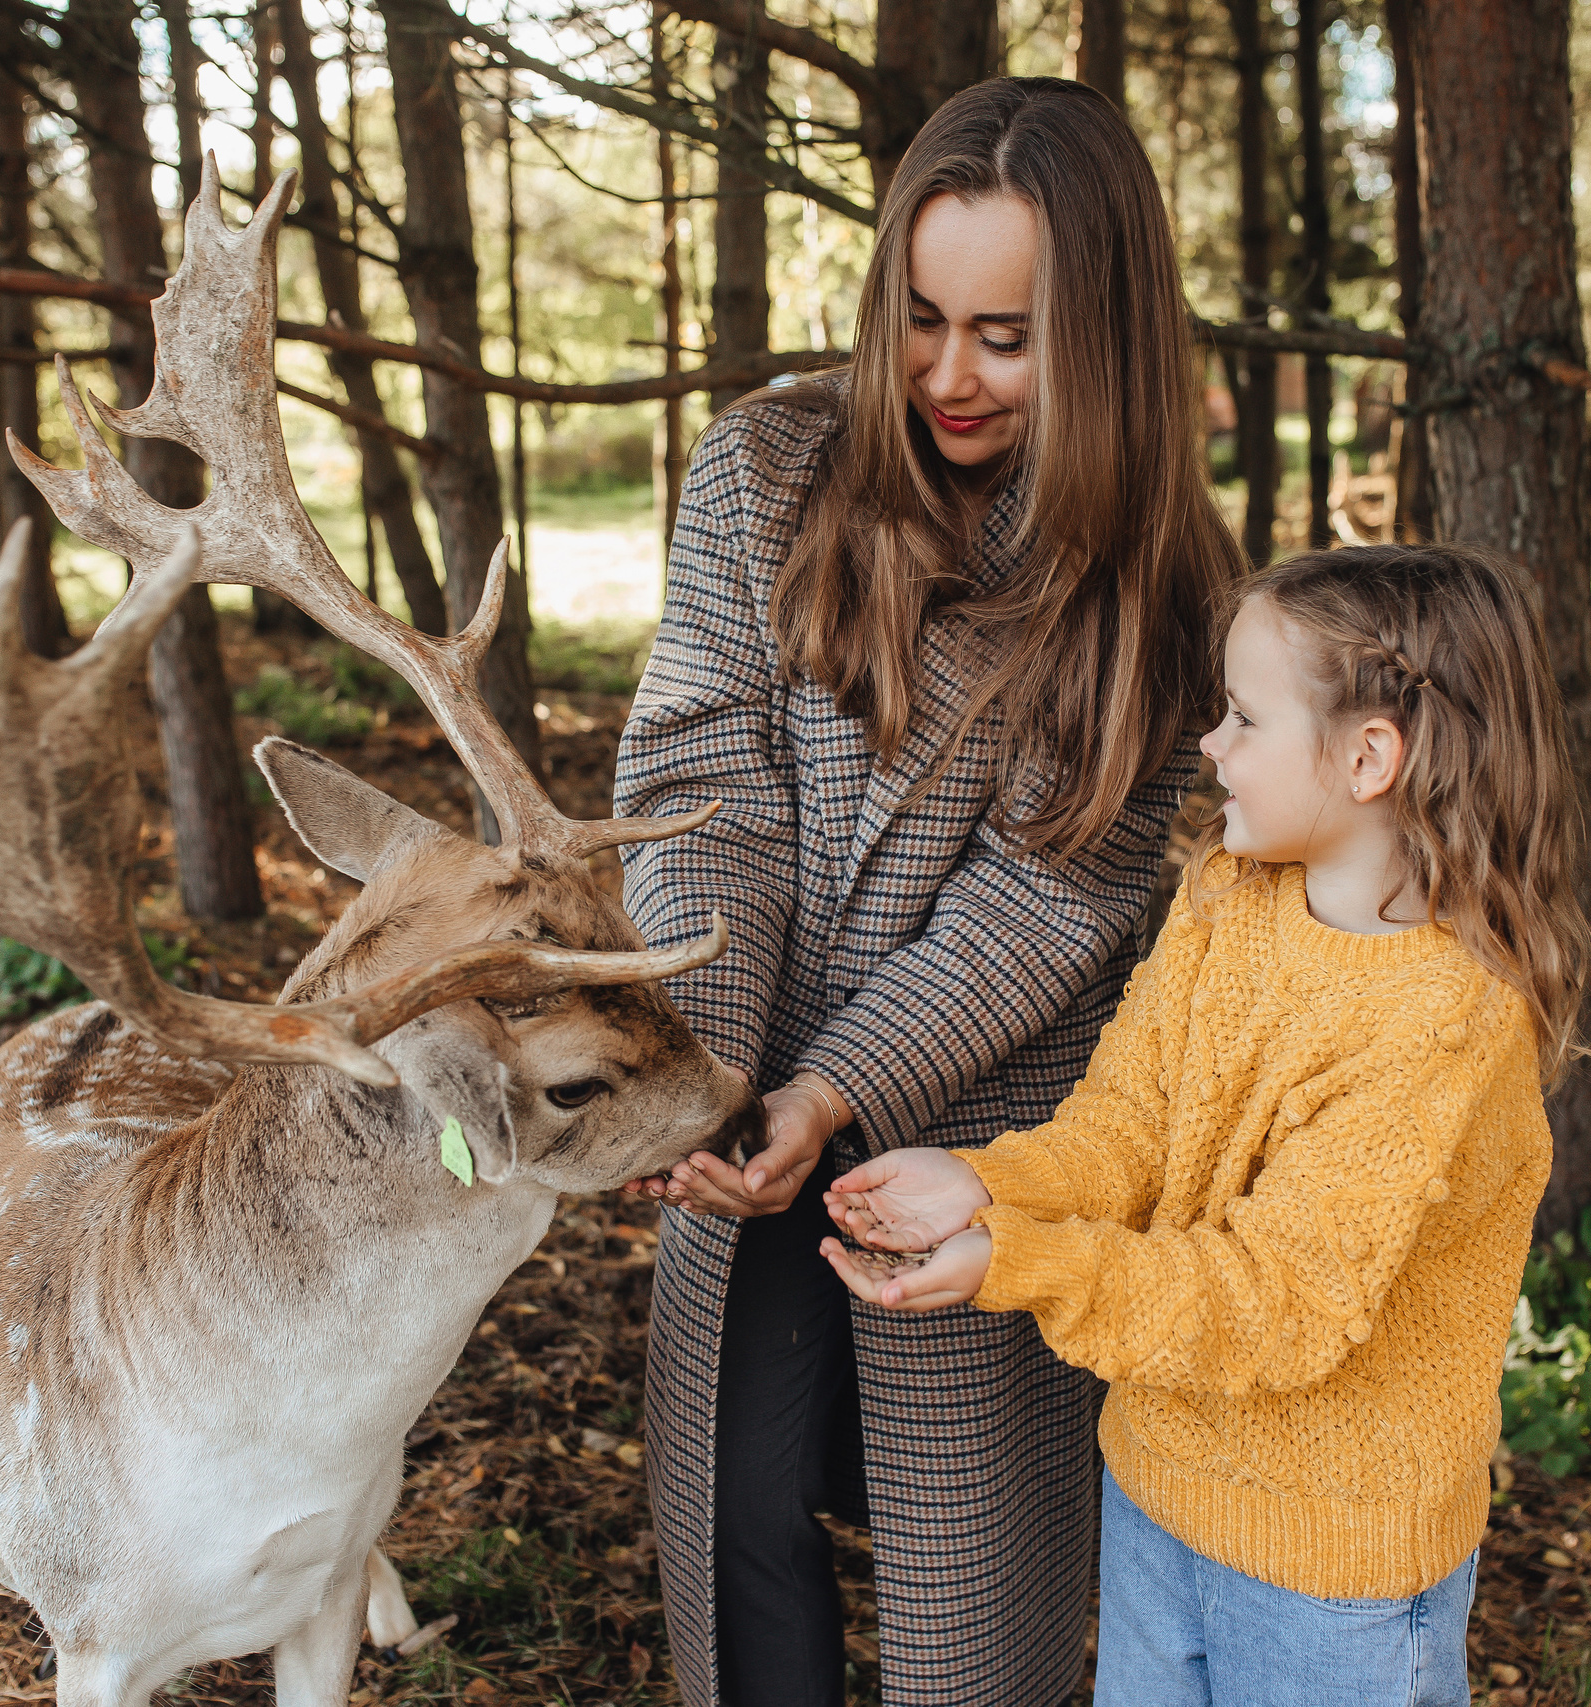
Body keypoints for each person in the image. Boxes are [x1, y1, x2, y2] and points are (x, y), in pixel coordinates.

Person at [612, 77, 1240, 1707]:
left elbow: (1047, 906)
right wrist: (709, 1066)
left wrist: (836, 1091)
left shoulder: (1165, 591)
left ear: (1100, 336)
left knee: (962, 1574)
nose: (950, 376)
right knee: (743, 1497)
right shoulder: (766, 467)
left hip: (987, 1122)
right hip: (742, 1064)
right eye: (921, 317)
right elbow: (702, 771)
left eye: (1009, 337)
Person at [821, 544, 1591, 1706]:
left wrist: (1021, 1263)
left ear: (1370, 756)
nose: (1208, 744)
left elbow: (1277, 1301)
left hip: (1334, 1578)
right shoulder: (1231, 895)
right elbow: (1131, 1124)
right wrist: (987, 1185)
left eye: (1241, 718)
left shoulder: (1441, 1023)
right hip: (1158, 1492)